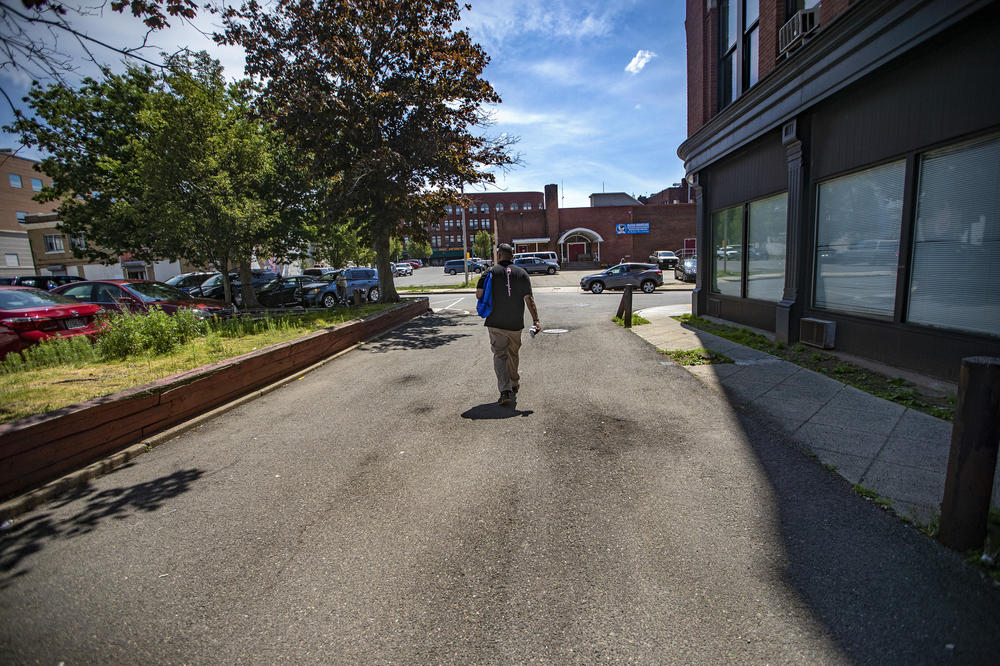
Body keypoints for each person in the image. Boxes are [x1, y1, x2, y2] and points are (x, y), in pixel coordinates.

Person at [476, 243, 541, 406]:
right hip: (515, 323)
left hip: (495, 322)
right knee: (513, 354)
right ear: (513, 256)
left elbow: (479, 294)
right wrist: (536, 320)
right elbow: (529, 299)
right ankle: (514, 384)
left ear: (498, 256)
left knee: (500, 355)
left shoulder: (488, 273)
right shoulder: (522, 273)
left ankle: (505, 391)